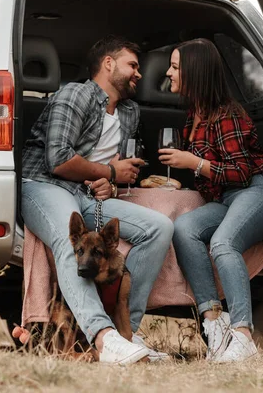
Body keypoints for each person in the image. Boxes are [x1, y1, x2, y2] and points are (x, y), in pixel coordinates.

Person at [22, 35, 174, 364]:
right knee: (68, 238)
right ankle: (103, 337)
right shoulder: (75, 94)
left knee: (159, 228)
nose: (138, 73)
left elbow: (119, 170)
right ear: (108, 64)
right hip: (44, 184)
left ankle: (127, 335)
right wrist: (109, 171)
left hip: (88, 197)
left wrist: (111, 184)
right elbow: (58, 159)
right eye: (132, 65)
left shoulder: (130, 113)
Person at [158, 38, 263, 362]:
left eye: (175, 67)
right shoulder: (193, 117)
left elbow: (240, 172)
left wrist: (192, 163)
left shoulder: (226, 113)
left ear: (194, 72)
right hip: (227, 198)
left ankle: (243, 335)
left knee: (224, 243)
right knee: (183, 228)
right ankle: (215, 323)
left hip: (258, 190)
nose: (169, 73)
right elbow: (210, 179)